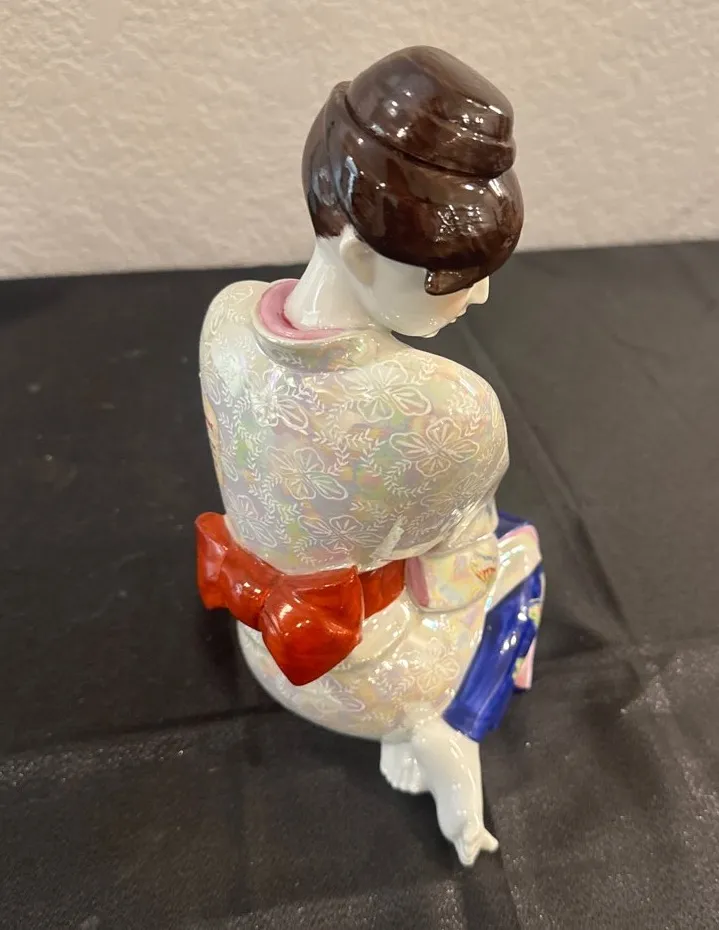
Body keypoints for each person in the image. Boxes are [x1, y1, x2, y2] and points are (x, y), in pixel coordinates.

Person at [197, 46, 543, 866]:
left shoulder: (223, 319)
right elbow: (456, 567)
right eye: (450, 276)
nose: (478, 295)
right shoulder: (446, 406)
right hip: (379, 680)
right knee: (521, 552)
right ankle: (452, 725)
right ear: (358, 253)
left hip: (264, 648)